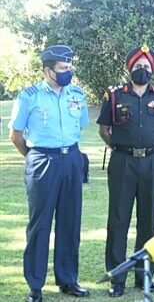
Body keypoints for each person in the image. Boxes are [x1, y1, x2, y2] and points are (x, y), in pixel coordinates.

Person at [9, 45, 90, 302]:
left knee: (70, 222)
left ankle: (67, 280)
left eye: (70, 67)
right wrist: (35, 156)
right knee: (40, 225)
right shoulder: (29, 96)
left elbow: (82, 125)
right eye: (63, 68)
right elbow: (16, 135)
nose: (69, 72)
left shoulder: (77, 94)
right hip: (42, 159)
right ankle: (35, 285)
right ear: (48, 70)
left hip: (72, 159)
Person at [97, 45, 154, 297]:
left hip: (152, 162)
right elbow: (104, 130)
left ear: (153, 70)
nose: (143, 70)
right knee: (118, 220)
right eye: (138, 66)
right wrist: (123, 148)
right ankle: (117, 279)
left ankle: (144, 277)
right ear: (130, 68)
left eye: (147, 67)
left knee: (148, 221)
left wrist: (145, 149)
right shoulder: (115, 95)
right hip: (123, 162)